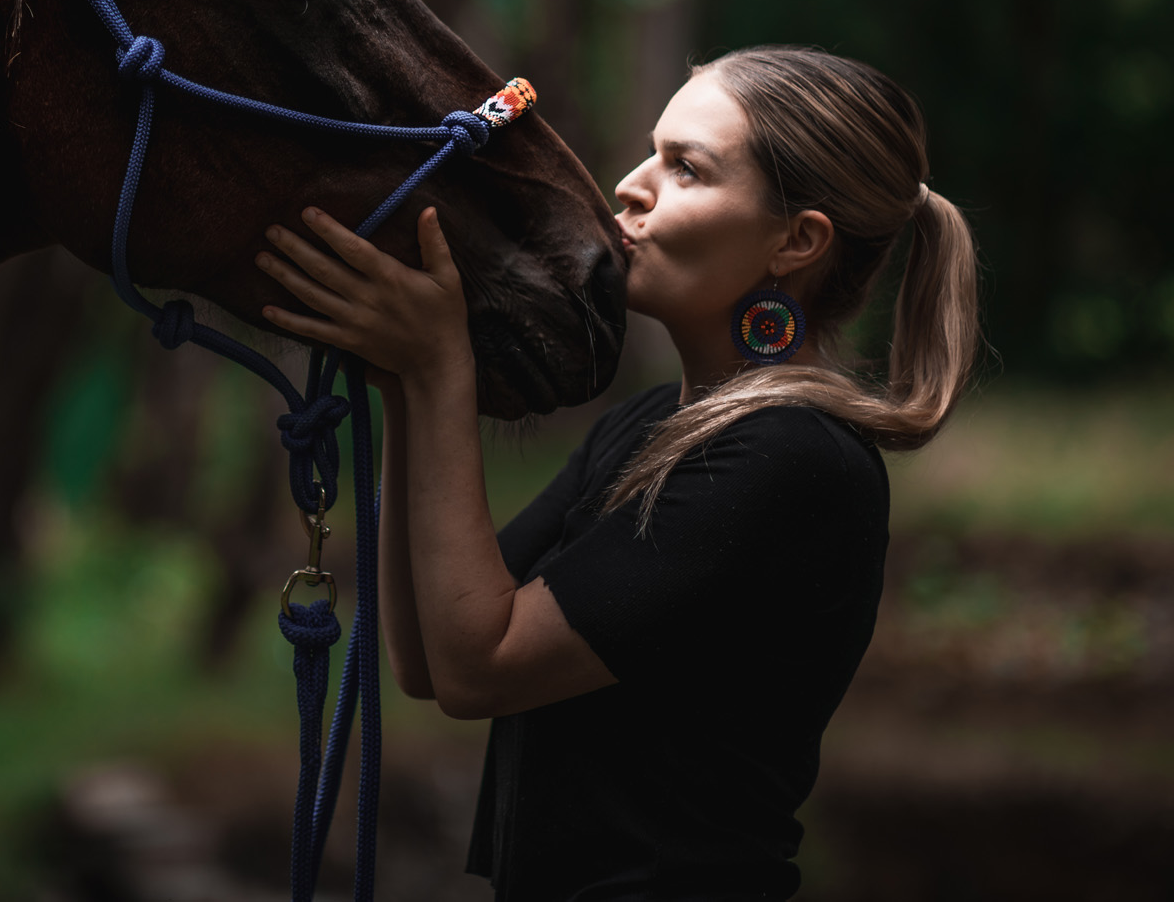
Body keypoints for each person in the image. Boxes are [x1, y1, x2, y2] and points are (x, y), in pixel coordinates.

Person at [253, 46, 980, 901]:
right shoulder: (647, 426)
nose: (629, 185)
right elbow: (429, 657)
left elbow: (483, 662)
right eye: (651, 151)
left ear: (797, 241)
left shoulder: (792, 458)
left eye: (686, 169)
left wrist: (444, 370)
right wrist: (405, 382)